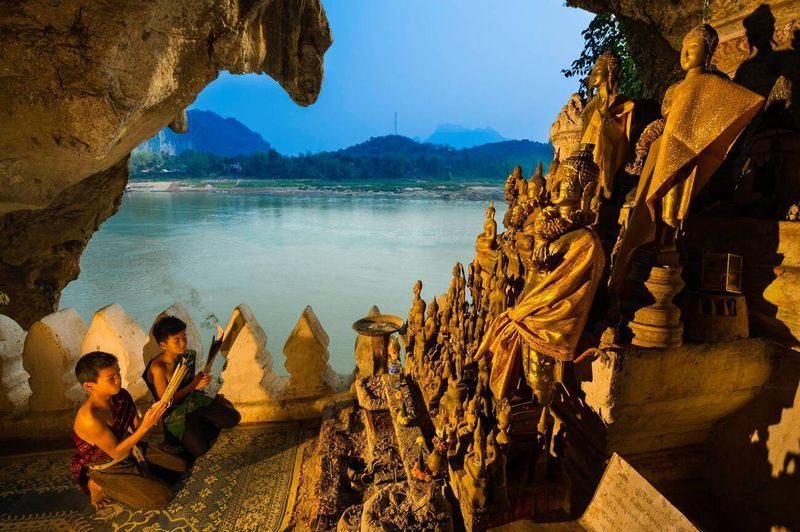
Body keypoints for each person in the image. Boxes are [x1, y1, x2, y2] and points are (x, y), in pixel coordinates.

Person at [70, 351, 186, 510]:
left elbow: (137, 427)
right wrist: (146, 426)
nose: (118, 380)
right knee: (162, 498)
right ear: (89, 386)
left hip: (131, 450)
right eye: (111, 378)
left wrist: (155, 416)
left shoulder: (121, 396)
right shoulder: (89, 418)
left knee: (179, 466)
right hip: (110, 466)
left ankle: (140, 477)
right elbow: (116, 452)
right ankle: (98, 485)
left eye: (118, 373)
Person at [144, 316, 240, 458]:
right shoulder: (159, 368)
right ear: (163, 344)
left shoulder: (185, 357)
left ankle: (199, 422)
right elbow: (166, 402)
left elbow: (191, 383)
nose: (183, 343)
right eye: (176, 341)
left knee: (233, 418)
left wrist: (201, 380)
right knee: (200, 449)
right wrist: (194, 385)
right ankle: (192, 429)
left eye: (184, 337)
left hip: (193, 401)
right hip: (176, 414)